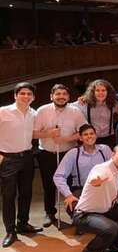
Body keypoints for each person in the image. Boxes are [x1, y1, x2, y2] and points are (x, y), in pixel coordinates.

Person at [33, 84, 86, 226]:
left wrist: (65, 139)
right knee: (48, 184)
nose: (61, 96)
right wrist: (48, 134)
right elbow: (33, 133)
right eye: (58, 94)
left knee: (69, 184)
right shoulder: (42, 110)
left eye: (64, 94)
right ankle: (49, 213)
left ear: (68, 97)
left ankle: (75, 213)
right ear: (51, 96)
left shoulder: (75, 112)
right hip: (47, 153)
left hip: (69, 153)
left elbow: (83, 132)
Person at [0, 82, 41, 247]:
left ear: (33, 97)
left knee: (26, 192)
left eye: (29, 94)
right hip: (8, 158)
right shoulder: (3, 112)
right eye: (22, 93)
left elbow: (33, 133)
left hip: (27, 157)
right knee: (8, 196)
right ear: (15, 95)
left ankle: (23, 224)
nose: (26, 96)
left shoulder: (33, 113)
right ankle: (10, 231)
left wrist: (49, 133)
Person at [53, 124, 112, 215]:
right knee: (72, 207)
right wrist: (68, 194)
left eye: (92, 133)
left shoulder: (105, 150)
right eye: (85, 134)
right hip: (81, 190)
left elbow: (115, 169)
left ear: (95, 136)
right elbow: (58, 176)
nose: (89, 136)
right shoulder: (73, 154)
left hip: (103, 189)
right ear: (80, 138)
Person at [74, 79, 118, 146]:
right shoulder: (83, 104)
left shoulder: (114, 104)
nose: (100, 93)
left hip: (109, 139)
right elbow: (69, 108)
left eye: (103, 90)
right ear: (93, 92)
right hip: (90, 139)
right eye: (97, 90)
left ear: (108, 92)